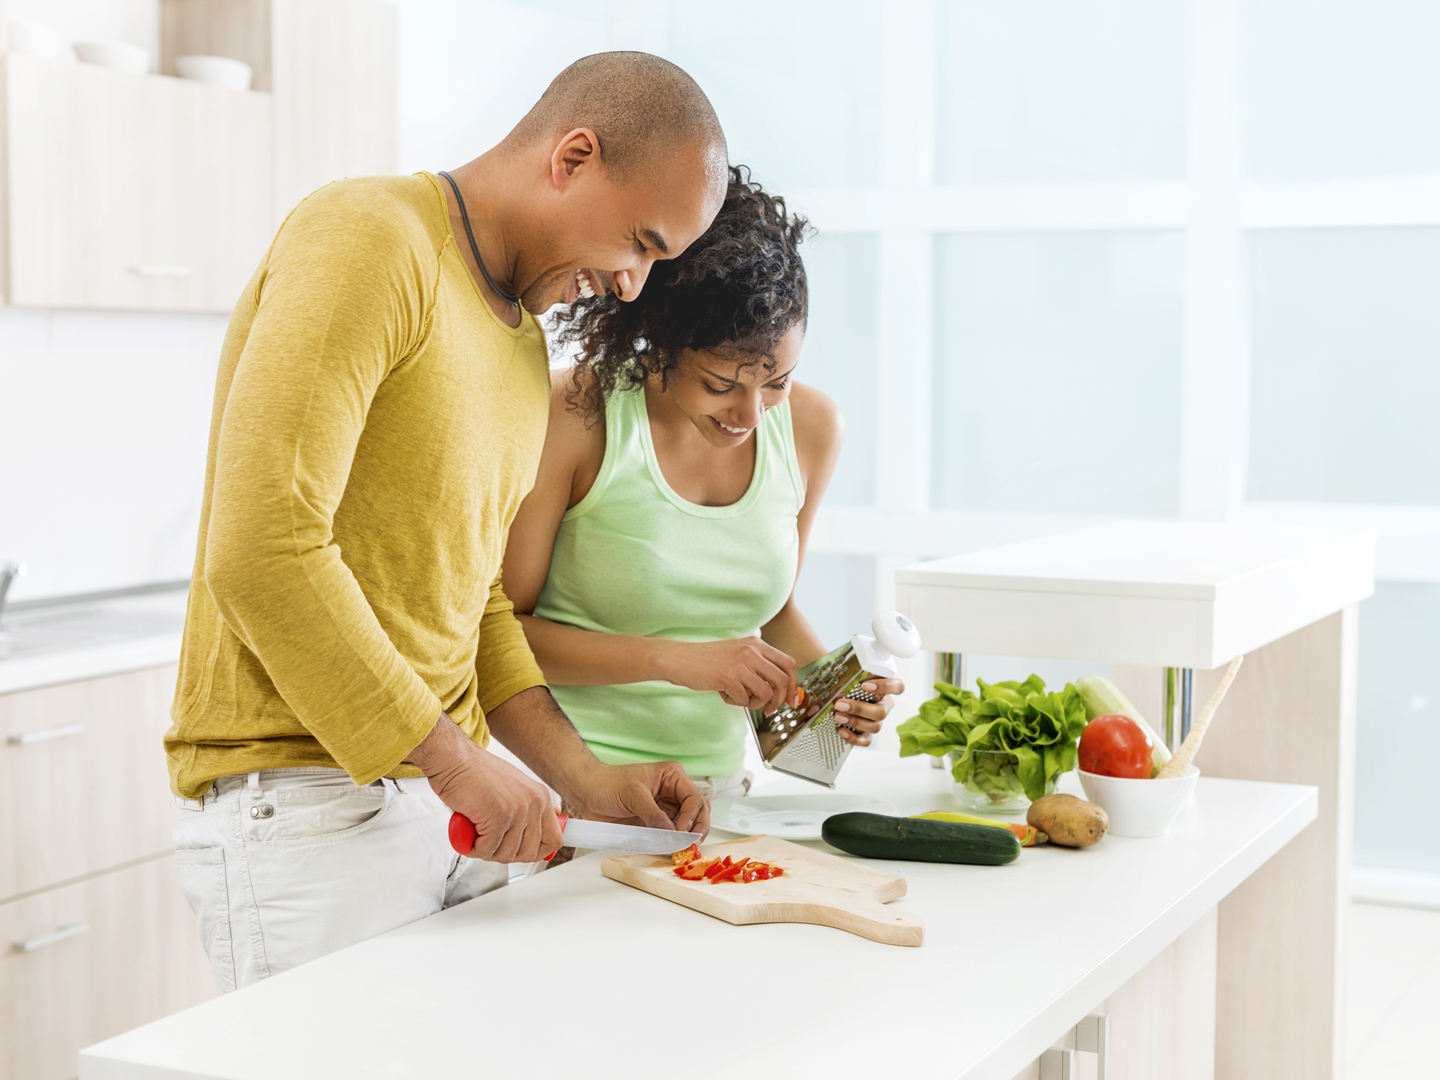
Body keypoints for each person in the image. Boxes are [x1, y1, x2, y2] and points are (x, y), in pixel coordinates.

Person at [165, 52, 727, 992]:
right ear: (572, 156)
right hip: (307, 809)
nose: (633, 285)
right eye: (641, 242)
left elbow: (477, 609)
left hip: (439, 809)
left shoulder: (518, 347)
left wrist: (587, 782)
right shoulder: (369, 237)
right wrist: (455, 757)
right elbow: (262, 547)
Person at [502, 168, 904, 822]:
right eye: (721, 384)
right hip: (569, 796)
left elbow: (771, 613)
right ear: (662, 344)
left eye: (777, 381)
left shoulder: (812, 429)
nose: (751, 413)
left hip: (718, 801)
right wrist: (673, 660)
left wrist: (834, 691)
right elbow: (501, 633)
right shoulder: (575, 414)